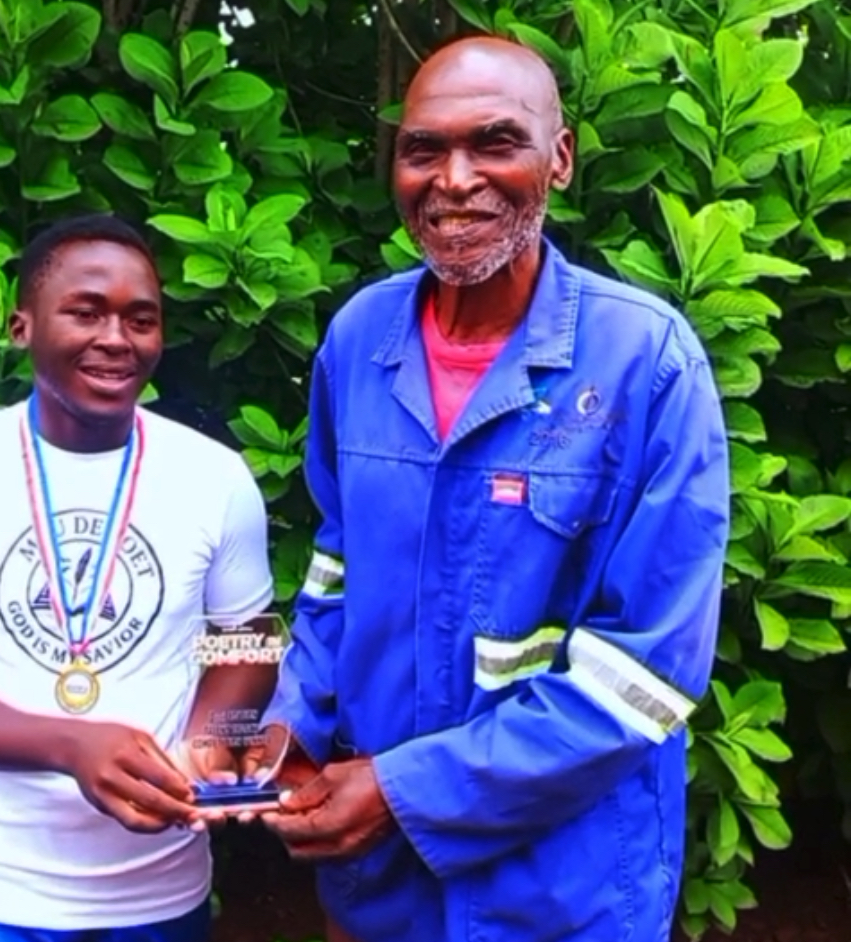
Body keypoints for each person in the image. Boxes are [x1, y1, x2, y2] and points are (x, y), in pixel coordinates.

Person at [254, 34, 732, 942]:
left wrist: (402, 794)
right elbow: (337, 564)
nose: (454, 178)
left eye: (495, 142)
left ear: (560, 159)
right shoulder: (360, 339)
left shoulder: (645, 362)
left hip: (566, 889)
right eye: (422, 149)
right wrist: (287, 732)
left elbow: (646, 672)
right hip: (378, 889)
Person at [0, 214, 275, 942]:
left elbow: (245, 643)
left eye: (140, 319)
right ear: (23, 325)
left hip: (161, 894)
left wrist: (203, 748)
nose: (116, 339)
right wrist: (71, 745)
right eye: (86, 312)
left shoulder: (214, 477)